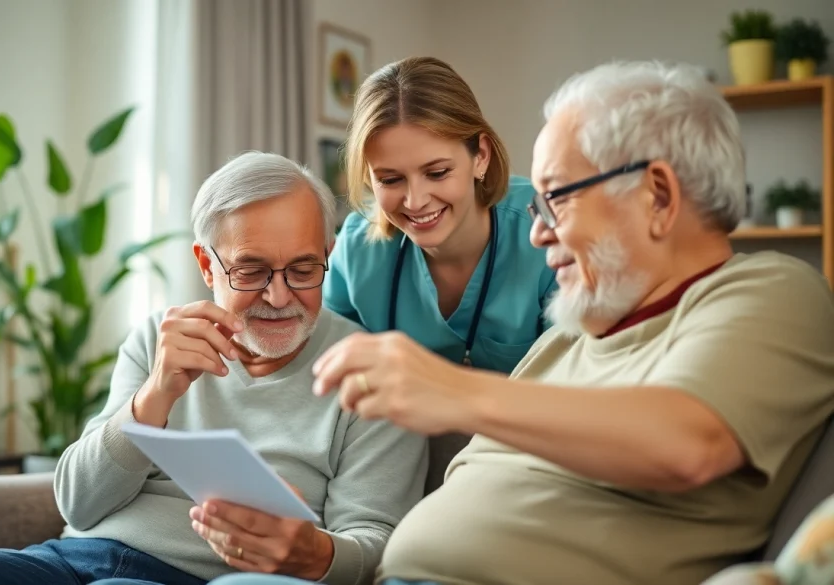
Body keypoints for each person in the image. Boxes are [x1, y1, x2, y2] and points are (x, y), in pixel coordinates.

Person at [215, 61, 834, 585]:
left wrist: (449, 389)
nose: (536, 229)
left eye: (556, 198)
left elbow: (689, 445)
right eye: (535, 204)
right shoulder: (571, 332)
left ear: (659, 197)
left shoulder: (772, 292)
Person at [0, 152, 428, 585]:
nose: (278, 295)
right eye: (250, 270)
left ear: (328, 256)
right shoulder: (161, 336)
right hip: (74, 562)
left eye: (302, 268)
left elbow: (378, 548)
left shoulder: (372, 371)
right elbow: (77, 506)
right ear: (207, 265)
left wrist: (311, 552)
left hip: (199, 578)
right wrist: (155, 394)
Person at [324, 56, 557, 376]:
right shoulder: (356, 248)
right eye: (390, 180)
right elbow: (320, 360)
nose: (415, 201)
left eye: (437, 173)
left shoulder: (546, 231)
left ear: (481, 156)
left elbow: (580, 381)